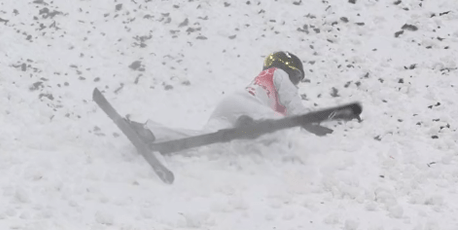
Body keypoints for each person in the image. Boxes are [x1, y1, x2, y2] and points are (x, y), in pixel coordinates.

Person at [128, 51, 332, 143]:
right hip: (248, 106)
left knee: (203, 140)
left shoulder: (263, 81)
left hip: (228, 107)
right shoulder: (277, 74)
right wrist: (308, 122)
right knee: (282, 131)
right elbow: (293, 100)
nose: (295, 83)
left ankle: (150, 132)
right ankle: (250, 126)